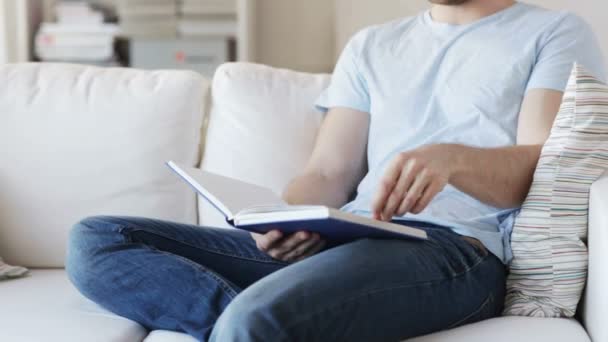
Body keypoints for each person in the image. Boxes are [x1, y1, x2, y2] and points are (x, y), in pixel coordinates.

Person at [66, 0, 606, 341]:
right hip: (347, 237)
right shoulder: (373, 44)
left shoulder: (552, 31)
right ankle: (262, 325)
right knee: (99, 240)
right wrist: (289, 215)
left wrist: (454, 160)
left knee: (257, 321)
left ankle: (257, 326)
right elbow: (327, 171)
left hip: (455, 251)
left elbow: (535, 168)